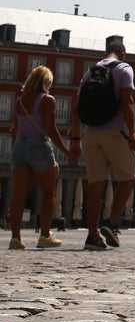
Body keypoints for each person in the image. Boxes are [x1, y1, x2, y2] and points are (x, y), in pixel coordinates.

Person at [70, 36, 135, 252]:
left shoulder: (90, 72)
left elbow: (76, 107)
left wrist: (75, 138)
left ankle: (92, 236)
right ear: (123, 52)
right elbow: (127, 101)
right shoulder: (124, 68)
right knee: (128, 178)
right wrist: (133, 133)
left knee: (95, 185)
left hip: (90, 134)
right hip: (116, 132)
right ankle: (111, 223)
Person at [8, 66, 73, 249]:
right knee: (48, 193)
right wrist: (66, 151)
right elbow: (51, 130)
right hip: (39, 145)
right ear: (46, 82)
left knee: (18, 195)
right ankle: (44, 236)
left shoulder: (19, 101)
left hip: (19, 146)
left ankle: (15, 239)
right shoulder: (47, 100)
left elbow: (16, 128)